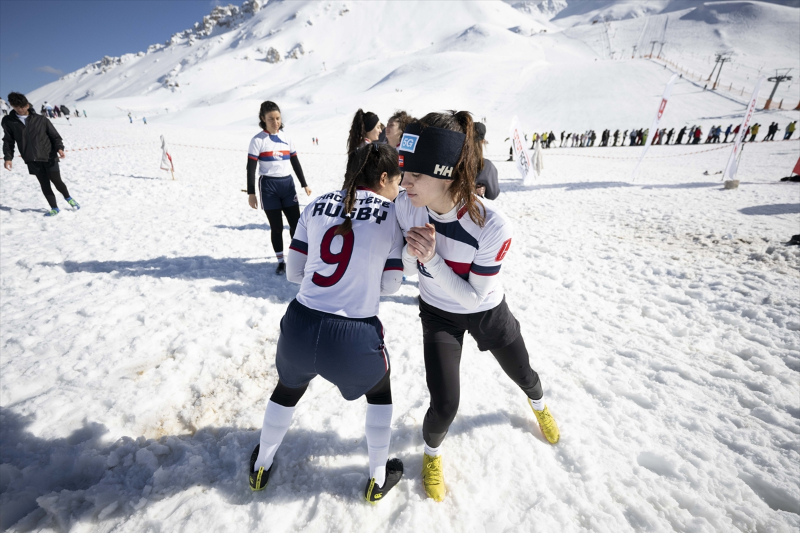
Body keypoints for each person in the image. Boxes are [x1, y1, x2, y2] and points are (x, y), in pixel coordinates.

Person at [395, 111, 559, 503]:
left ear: (447, 172)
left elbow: (472, 296)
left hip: (485, 309)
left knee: (525, 374)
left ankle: (538, 404)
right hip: (437, 312)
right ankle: (432, 454)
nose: (405, 183)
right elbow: (402, 269)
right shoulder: (407, 206)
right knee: (445, 403)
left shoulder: (492, 225)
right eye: (404, 172)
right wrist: (410, 252)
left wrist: (431, 259)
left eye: (416, 174)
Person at [248, 143, 406, 504]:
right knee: (380, 393)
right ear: (383, 178)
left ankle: (262, 463)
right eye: (396, 182)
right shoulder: (392, 213)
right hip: (353, 334)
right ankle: (377, 478)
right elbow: (392, 286)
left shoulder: (317, 203)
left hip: (301, 323)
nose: (397, 190)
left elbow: (293, 273)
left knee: (287, 388)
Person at [247, 101, 312, 275]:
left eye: (277, 118)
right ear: (263, 119)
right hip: (269, 186)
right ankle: (281, 261)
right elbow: (251, 168)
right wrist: (251, 193)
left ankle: (298, 259)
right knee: (276, 227)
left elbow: (295, 162)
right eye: (271, 119)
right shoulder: (258, 140)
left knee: (296, 226)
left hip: (287, 185)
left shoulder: (286, 138)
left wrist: (304, 183)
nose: (275, 122)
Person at [2, 92, 80, 216]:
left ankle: (68, 198)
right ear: (12, 106)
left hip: (49, 156)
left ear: (27, 105)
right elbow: (8, 141)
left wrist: (59, 148)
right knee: (44, 183)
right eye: (16, 107)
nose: (20, 110)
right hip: (31, 158)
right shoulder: (9, 121)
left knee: (57, 181)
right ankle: (54, 207)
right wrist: (8, 158)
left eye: (22, 106)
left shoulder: (41, 119)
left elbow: (55, 136)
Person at [473, 122, 499, 200]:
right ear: (482, 141)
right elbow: (493, 194)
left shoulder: (454, 159)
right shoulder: (486, 165)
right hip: (471, 208)